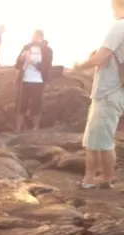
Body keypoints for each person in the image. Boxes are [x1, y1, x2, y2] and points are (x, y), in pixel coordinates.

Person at [73, 0, 124, 189]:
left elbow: (100, 57)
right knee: (101, 137)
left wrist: (80, 65)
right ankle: (106, 177)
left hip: (108, 92)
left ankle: (90, 179)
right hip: (116, 92)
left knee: (96, 140)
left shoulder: (119, 26)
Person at [14, 30, 54, 131]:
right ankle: (18, 128)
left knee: (37, 104)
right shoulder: (26, 47)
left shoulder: (47, 50)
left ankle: (35, 127)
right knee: (22, 103)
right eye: (33, 36)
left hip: (39, 81)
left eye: (36, 36)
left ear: (41, 38)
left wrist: (34, 63)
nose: (34, 38)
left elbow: (47, 66)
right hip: (25, 80)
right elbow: (17, 65)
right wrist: (22, 59)